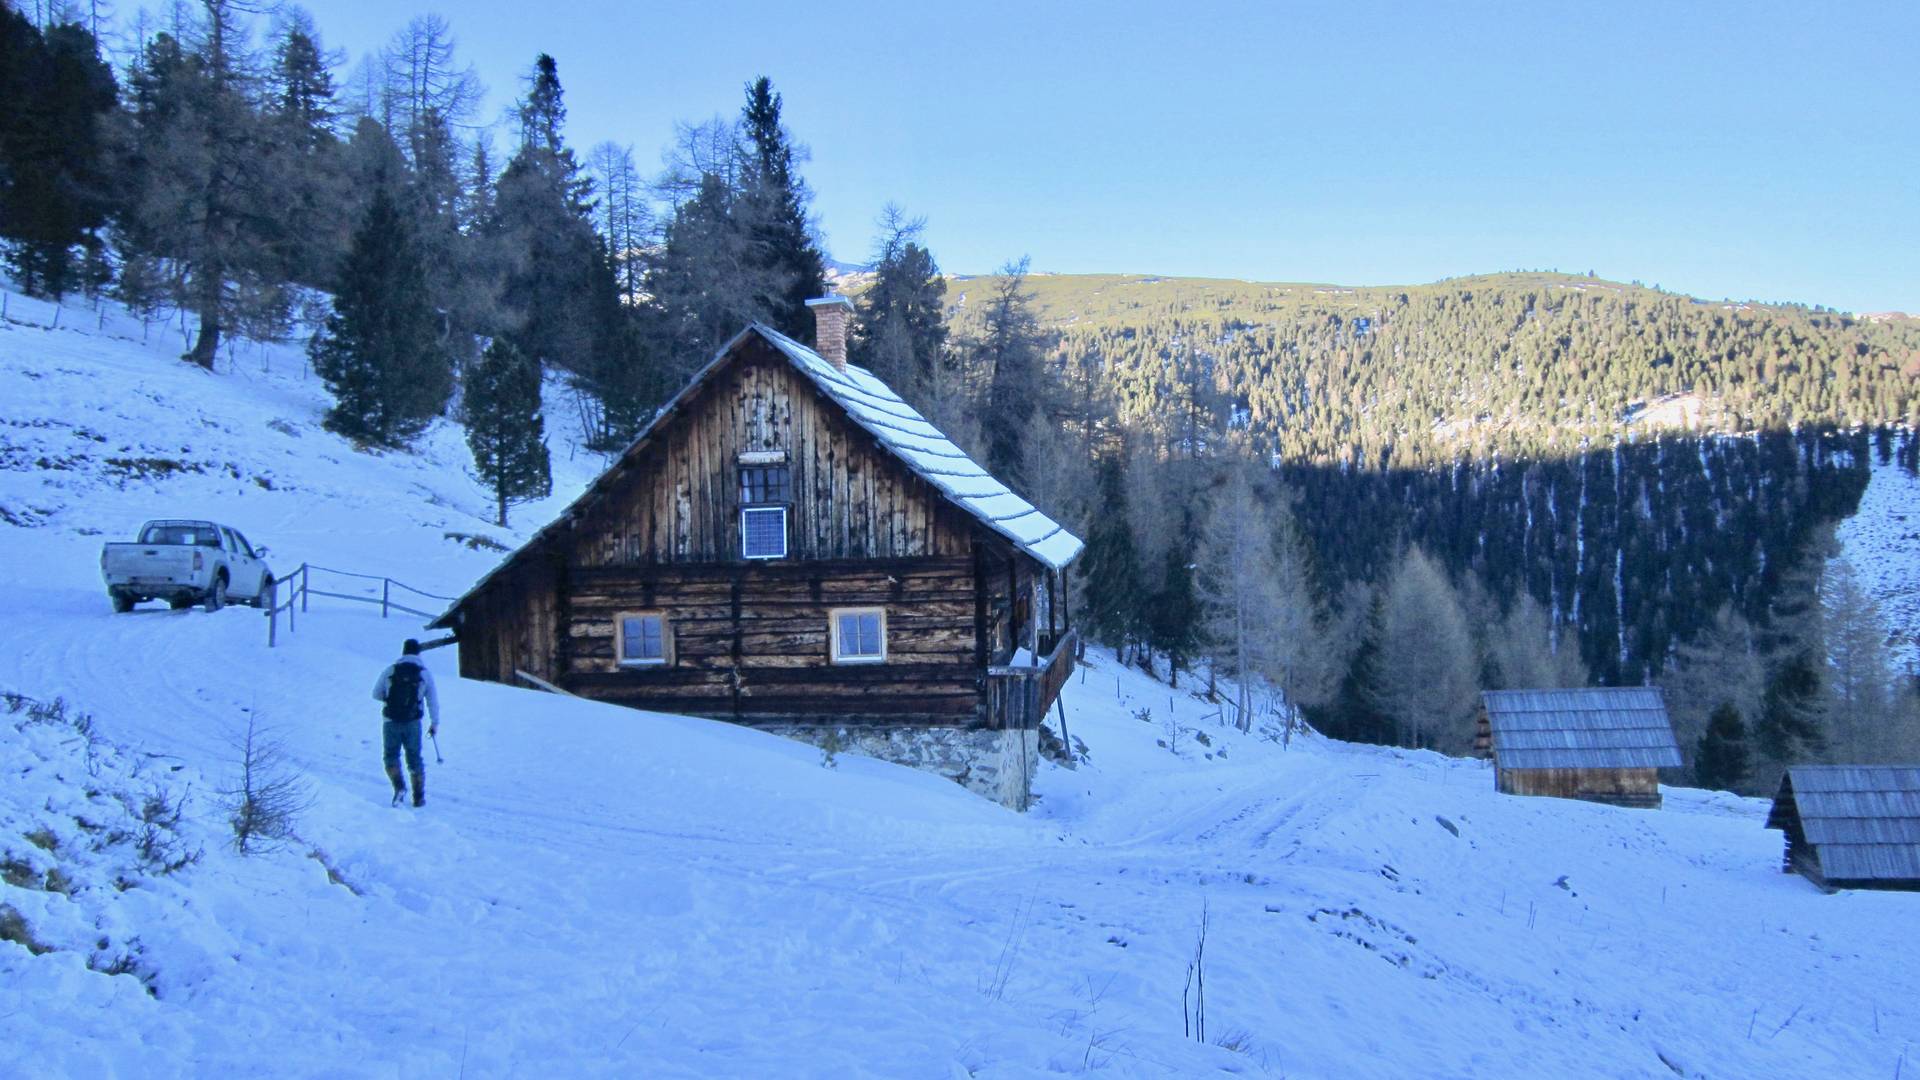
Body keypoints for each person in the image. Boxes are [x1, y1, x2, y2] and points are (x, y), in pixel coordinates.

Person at [373, 639, 440, 807]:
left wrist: (390, 700)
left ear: (403, 652)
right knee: (414, 758)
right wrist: (434, 722)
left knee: (390, 756)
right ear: (418, 653)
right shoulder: (424, 673)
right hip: (413, 723)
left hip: (391, 721)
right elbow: (432, 700)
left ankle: (399, 787)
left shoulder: (391, 670)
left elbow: (376, 694)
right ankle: (418, 797)